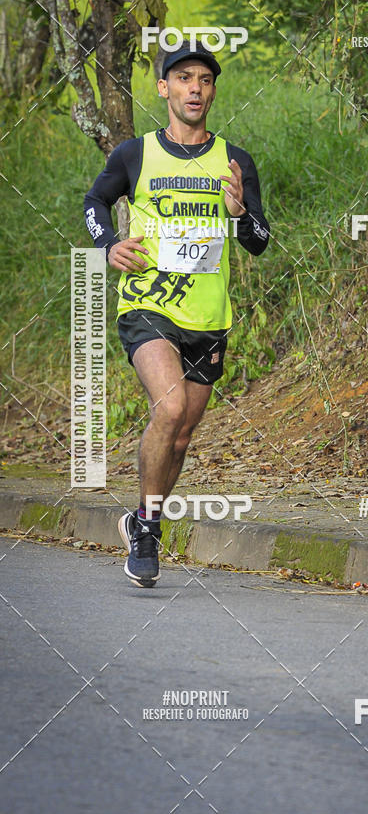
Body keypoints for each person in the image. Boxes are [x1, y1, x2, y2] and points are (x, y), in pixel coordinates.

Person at [84, 43, 270, 587]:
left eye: (205, 80)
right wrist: (108, 246)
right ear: (164, 89)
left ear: (212, 91)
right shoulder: (134, 154)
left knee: (183, 433)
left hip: (208, 315)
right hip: (148, 304)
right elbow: (95, 202)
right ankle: (147, 531)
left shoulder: (235, 160)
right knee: (168, 409)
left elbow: (259, 240)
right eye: (184, 78)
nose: (195, 88)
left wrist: (239, 215)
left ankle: (146, 519)